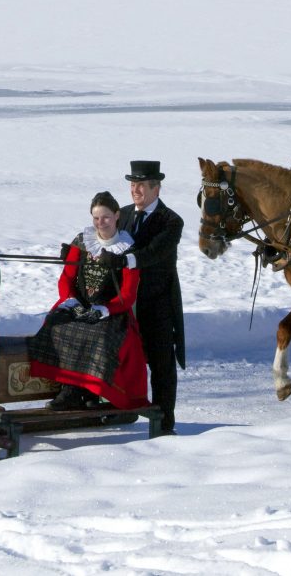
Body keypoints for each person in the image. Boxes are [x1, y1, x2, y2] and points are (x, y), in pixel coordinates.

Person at [25, 191, 148, 410]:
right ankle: (70, 386)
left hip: (112, 311)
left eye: (106, 217)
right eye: (96, 218)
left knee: (99, 335)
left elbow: (128, 295)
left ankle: (82, 390)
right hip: (79, 303)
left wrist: (104, 309)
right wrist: (71, 300)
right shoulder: (82, 242)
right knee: (57, 325)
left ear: (117, 215)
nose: (101, 223)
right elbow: (67, 278)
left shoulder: (127, 250)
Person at [118, 160, 184, 435]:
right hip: (123, 302)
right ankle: (116, 410)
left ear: (156, 188)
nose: (135, 190)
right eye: (132, 185)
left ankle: (163, 423)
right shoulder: (120, 215)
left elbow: (155, 253)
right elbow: (100, 236)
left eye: (141, 185)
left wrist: (125, 260)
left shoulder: (171, 221)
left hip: (157, 303)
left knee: (161, 365)